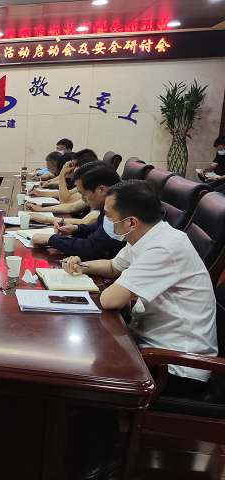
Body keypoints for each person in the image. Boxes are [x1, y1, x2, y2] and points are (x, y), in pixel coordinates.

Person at [62, 180, 217, 480]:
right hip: (153, 343)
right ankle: (85, 431)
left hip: (179, 365)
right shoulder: (149, 236)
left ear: (131, 222)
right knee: (92, 348)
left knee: (95, 369)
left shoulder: (164, 247)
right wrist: (82, 266)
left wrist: (107, 284)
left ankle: (101, 460)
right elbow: (113, 267)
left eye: (109, 216)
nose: (105, 222)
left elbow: (111, 299)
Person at [30, 162, 125, 261]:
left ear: (101, 190)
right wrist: (75, 229)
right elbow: (97, 228)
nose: (82, 199)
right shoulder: (110, 203)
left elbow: (88, 249)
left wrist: (50, 239)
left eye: (83, 194)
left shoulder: (119, 210)